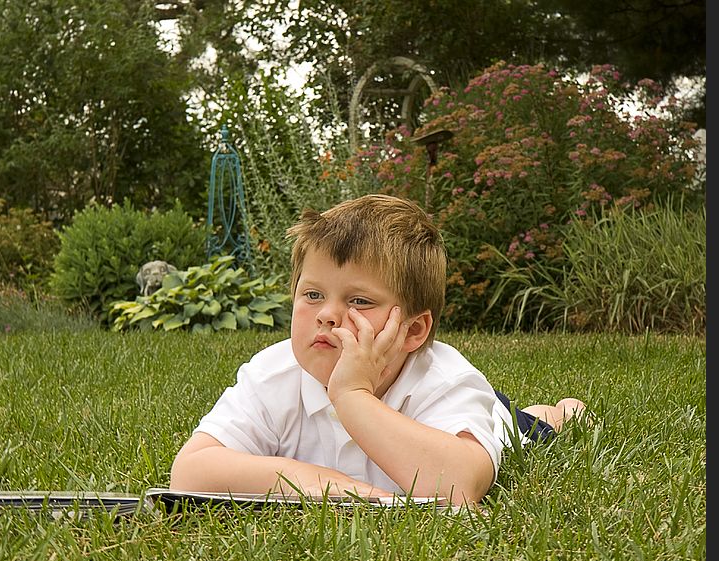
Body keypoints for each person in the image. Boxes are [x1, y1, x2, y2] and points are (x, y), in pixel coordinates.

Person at [170, 194, 586, 505]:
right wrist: (325, 484)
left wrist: (353, 396)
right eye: (312, 294)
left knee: (521, 427)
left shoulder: (446, 381)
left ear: (413, 330)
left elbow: (458, 487)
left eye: (359, 301)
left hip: (484, 417)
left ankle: (556, 412)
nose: (328, 315)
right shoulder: (273, 373)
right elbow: (190, 472)